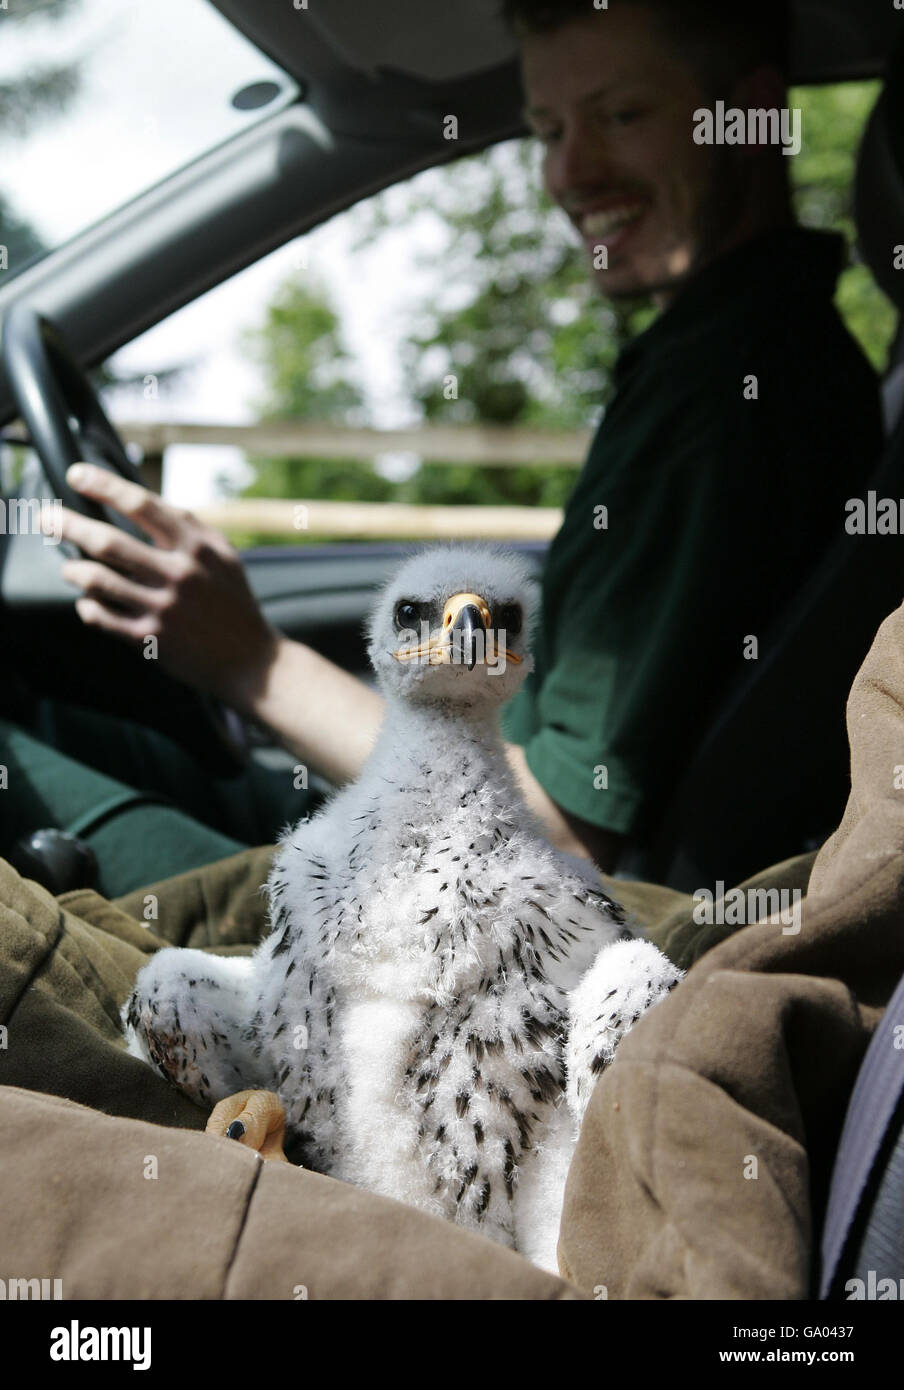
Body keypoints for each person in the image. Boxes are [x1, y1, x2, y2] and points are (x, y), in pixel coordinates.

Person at [35, 0, 883, 879]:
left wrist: (252, 661)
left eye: (622, 115)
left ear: (753, 114)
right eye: (548, 130)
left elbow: (560, 828)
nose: (571, 171)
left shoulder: (727, 397)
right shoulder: (740, 356)